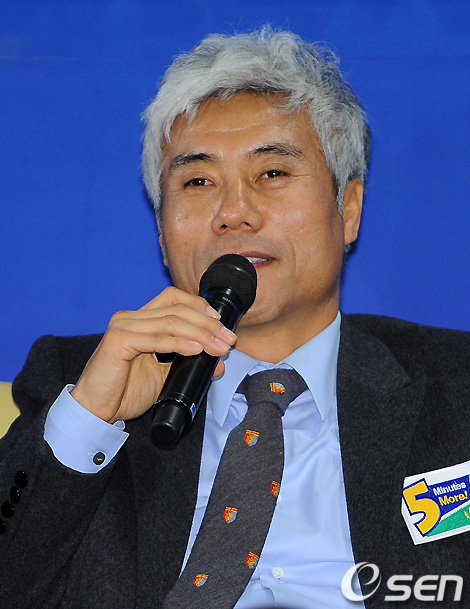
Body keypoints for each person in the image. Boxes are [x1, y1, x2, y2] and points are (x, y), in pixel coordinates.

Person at [2, 27, 470, 609]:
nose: (234, 212)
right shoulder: (82, 383)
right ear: (162, 232)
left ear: (348, 210)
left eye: (272, 173)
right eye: (198, 181)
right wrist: (89, 423)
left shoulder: (457, 386)